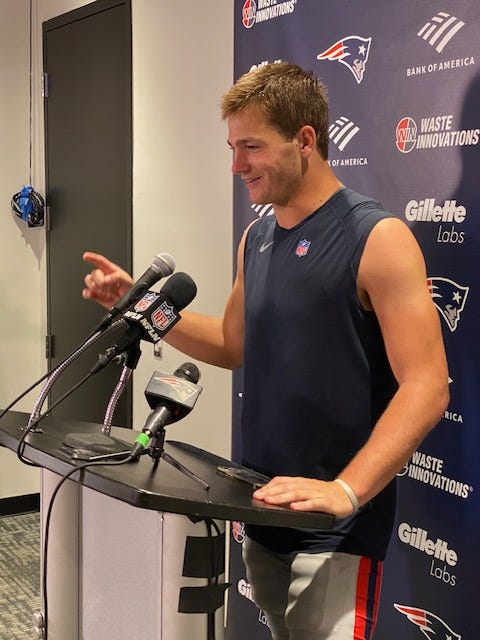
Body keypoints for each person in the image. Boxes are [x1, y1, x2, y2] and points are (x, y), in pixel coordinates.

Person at [82, 62, 449, 640]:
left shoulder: (377, 238)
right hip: (258, 508)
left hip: (335, 530)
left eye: (251, 147)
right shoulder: (256, 237)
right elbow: (233, 344)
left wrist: (346, 490)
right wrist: (142, 305)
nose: (237, 166)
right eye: (232, 148)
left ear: (304, 140)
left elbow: (427, 385)